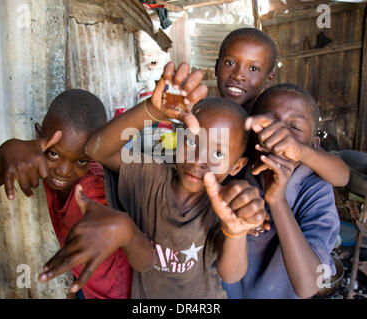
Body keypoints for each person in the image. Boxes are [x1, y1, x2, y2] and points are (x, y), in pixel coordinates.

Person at [38, 63, 268, 298]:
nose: (199, 159)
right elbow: (96, 150)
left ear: (236, 166)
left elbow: (231, 275)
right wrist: (152, 111)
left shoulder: (224, 205)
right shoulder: (150, 175)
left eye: (218, 154)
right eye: (191, 142)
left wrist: (234, 232)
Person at [0, 89, 148, 299]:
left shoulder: (93, 191)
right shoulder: (39, 163)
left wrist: (125, 230)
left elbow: (145, 259)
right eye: (54, 153)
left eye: (81, 161)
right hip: (87, 287)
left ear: (93, 156)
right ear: (38, 135)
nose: (63, 170)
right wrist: (3, 153)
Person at [222, 83, 341, 299]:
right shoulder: (234, 173)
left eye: (294, 127)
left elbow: (308, 286)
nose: (280, 134)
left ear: (312, 145)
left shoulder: (316, 191)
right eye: (269, 122)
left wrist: (277, 202)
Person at [215, 27, 349, 187]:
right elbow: (181, 158)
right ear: (216, 67)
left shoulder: (274, 121)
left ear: (268, 79)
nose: (238, 75)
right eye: (230, 63)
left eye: (253, 69)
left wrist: (301, 151)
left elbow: (343, 177)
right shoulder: (208, 117)